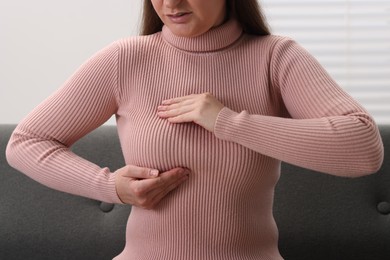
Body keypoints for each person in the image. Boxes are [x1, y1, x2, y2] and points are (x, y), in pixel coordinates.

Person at [6, 0, 384, 259]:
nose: (171, 3)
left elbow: (363, 149)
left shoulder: (275, 57)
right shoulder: (125, 59)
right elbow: (26, 142)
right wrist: (109, 186)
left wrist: (228, 122)